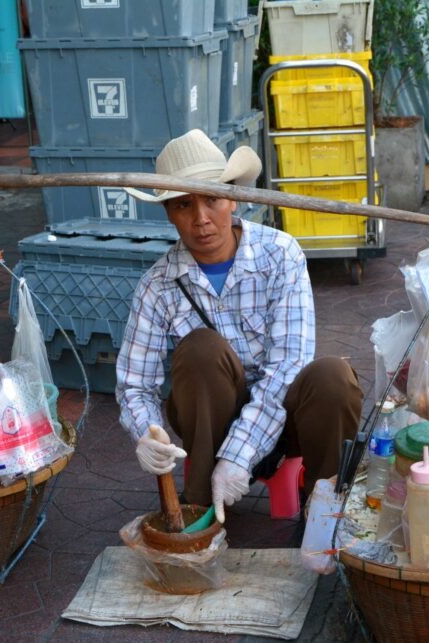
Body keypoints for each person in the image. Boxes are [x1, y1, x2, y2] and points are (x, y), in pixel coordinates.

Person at [116, 129, 363, 523]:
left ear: (233, 198)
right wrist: (146, 433)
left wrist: (238, 456)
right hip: (209, 421)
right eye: (183, 205)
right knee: (201, 349)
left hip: (286, 418)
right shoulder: (157, 285)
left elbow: (288, 367)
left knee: (333, 377)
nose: (201, 220)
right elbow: (134, 383)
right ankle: (197, 507)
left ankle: (324, 516)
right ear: (169, 214)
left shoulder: (280, 255)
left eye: (212, 199)